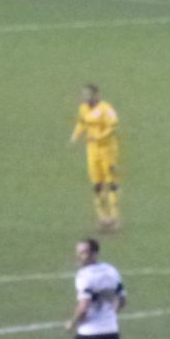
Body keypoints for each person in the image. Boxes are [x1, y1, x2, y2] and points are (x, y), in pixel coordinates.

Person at [69, 84, 121, 230]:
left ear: (96, 95)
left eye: (88, 94)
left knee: (111, 183)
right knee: (97, 184)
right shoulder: (83, 108)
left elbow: (113, 127)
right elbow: (81, 123)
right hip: (92, 150)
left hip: (107, 149)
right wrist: (75, 136)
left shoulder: (106, 108)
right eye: (83, 94)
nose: (85, 97)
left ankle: (115, 217)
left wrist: (98, 137)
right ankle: (103, 217)